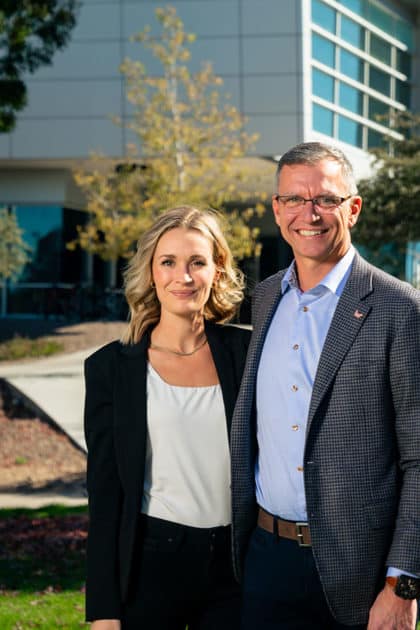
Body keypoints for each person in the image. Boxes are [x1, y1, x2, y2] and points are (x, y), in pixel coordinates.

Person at [230, 142, 420, 629]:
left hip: (364, 575)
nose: (308, 214)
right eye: (294, 199)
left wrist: (405, 586)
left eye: (325, 200)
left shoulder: (401, 310)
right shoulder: (267, 296)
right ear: (277, 209)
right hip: (266, 561)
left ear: (352, 208)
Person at [84, 206, 251, 629]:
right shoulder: (110, 369)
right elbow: (105, 497)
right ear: (151, 272)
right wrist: (103, 611)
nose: (185, 276)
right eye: (169, 262)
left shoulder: (246, 354)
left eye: (198, 262)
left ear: (218, 270)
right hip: (152, 563)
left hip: (236, 567)